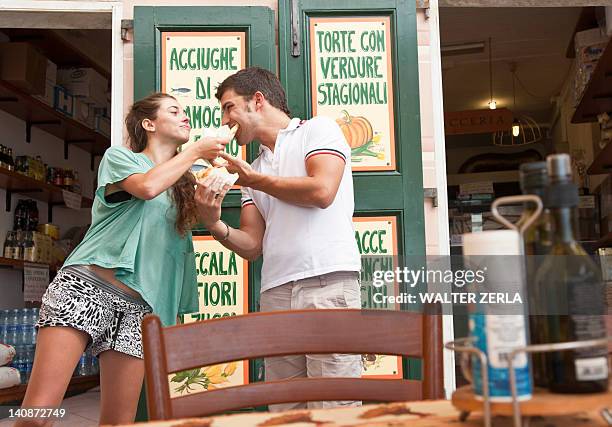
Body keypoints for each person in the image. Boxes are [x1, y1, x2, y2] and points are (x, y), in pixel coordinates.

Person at [17, 93, 230, 426]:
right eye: (174, 111)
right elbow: (146, 187)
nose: (185, 116)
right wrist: (196, 151)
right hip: (86, 289)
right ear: (149, 124)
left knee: (119, 421)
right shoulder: (120, 158)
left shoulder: (183, 184)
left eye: (185, 111)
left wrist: (213, 206)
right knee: (38, 413)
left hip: (138, 308)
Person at [195, 67, 362, 411]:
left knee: (335, 408)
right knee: (284, 409)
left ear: (257, 101)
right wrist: (214, 224)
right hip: (275, 292)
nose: (225, 119)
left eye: (229, 107)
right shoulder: (252, 168)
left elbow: (322, 191)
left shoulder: (317, 129)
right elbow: (253, 244)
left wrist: (254, 181)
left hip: (326, 281)